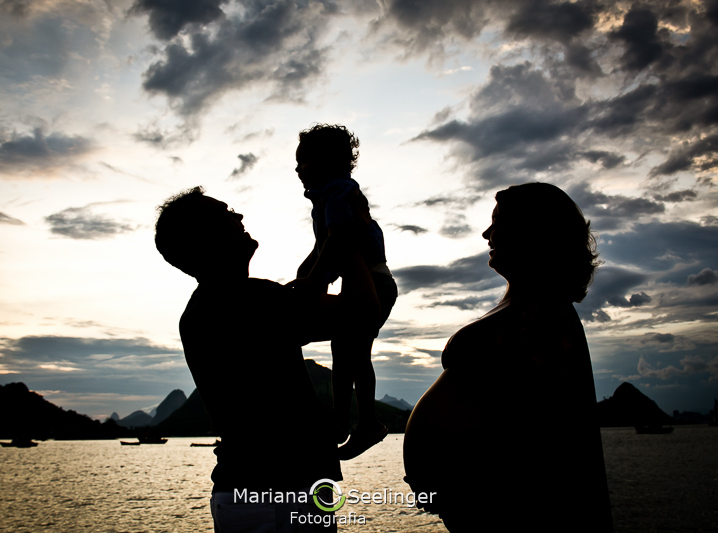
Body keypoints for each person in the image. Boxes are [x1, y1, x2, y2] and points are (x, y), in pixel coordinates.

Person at [155, 187, 380, 532]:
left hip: (252, 491)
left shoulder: (209, 307)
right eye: (225, 213)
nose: (239, 215)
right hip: (279, 495)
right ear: (208, 242)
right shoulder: (247, 300)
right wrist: (345, 237)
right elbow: (363, 312)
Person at [403, 183, 614, 532]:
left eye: (498, 223)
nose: (486, 234)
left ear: (534, 232)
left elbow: (536, 434)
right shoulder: (534, 311)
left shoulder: (543, 317)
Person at [292, 124, 398, 461]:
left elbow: (338, 239)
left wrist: (314, 280)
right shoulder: (328, 196)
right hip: (367, 282)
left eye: (303, 161)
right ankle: (348, 420)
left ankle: (360, 422)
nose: (297, 169)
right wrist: (306, 276)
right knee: (346, 351)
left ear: (326, 161)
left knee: (354, 353)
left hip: (374, 284)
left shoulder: (337, 191)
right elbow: (323, 247)